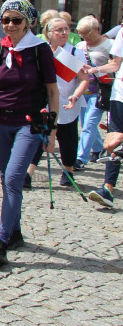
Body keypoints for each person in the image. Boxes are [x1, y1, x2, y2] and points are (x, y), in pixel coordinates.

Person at [0, 0, 57, 265]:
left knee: (13, 178)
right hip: (0, 121)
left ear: (27, 23)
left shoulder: (40, 50)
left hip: (30, 122)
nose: (10, 25)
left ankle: (1, 241)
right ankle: (15, 232)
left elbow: (52, 91)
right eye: (5, 20)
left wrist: (52, 132)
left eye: (16, 20)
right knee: (5, 179)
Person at [26, 17, 86, 187]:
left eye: (66, 29)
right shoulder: (42, 51)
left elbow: (83, 80)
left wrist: (75, 95)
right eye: (59, 30)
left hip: (66, 101)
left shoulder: (75, 53)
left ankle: (68, 171)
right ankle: (28, 173)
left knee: (67, 138)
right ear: (48, 34)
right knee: (39, 136)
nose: (64, 33)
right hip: (44, 101)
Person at [82, 15, 123, 207]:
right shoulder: (122, 32)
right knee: (113, 141)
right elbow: (115, 64)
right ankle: (107, 189)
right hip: (119, 95)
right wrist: (94, 70)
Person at [75, 16, 113, 169]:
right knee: (85, 123)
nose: (85, 37)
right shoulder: (80, 45)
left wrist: (97, 70)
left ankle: (80, 159)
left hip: (100, 91)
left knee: (89, 124)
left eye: (87, 33)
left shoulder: (110, 45)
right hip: (83, 89)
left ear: (97, 30)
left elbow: (115, 66)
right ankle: (98, 149)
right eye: (82, 34)